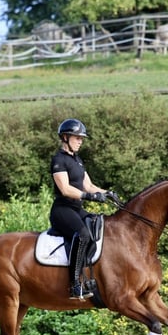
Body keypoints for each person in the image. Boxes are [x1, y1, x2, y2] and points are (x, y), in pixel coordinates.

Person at [50, 118, 109, 300]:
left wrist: (107, 194)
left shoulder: (77, 160)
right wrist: (89, 197)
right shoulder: (58, 160)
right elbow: (65, 189)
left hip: (76, 209)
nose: (80, 141)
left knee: (98, 225)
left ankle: (91, 276)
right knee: (83, 234)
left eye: (81, 138)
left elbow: (89, 186)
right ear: (65, 137)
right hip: (62, 210)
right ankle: (75, 284)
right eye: (77, 138)